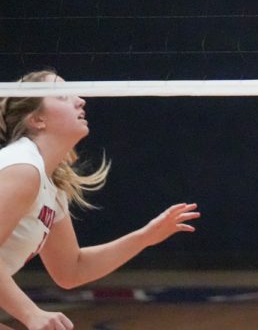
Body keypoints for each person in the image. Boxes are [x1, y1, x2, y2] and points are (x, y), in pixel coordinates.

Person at [0, 70, 199, 330]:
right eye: (62, 96)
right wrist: (30, 314)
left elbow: (72, 269)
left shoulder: (50, 186)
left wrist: (145, 237)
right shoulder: (22, 168)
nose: (80, 100)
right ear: (37, 119)